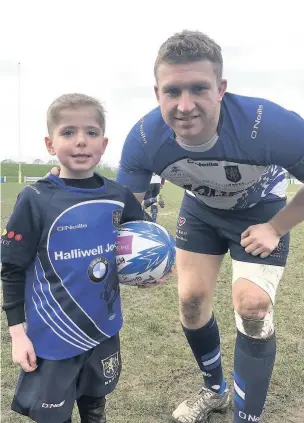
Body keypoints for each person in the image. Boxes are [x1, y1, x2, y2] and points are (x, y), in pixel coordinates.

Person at [116, 30, 304, 423]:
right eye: (173, 91)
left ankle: (245, 417)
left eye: (198, 88)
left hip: (260, 211)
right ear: (157, 94)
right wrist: (138, 258)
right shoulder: (145, 138)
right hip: (201, 211)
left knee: (252, 307)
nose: (185, 105)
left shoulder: (268, 123)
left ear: (220, 88)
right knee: (190, 303)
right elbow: (127, 213)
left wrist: (276, 226)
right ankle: (214, 389)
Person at [1, 93, 145, 423]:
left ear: (104, 143)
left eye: (91, 133)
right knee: (54, 416)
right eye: (68, 132)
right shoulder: (35, 199)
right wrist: (18, 334)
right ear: (50, 144)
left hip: (103, 329)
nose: (81, 141)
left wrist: (150, 269)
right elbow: (11, 268)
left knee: (95, 404)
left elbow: (142, 236)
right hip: (53, 336)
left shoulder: (117, 194)